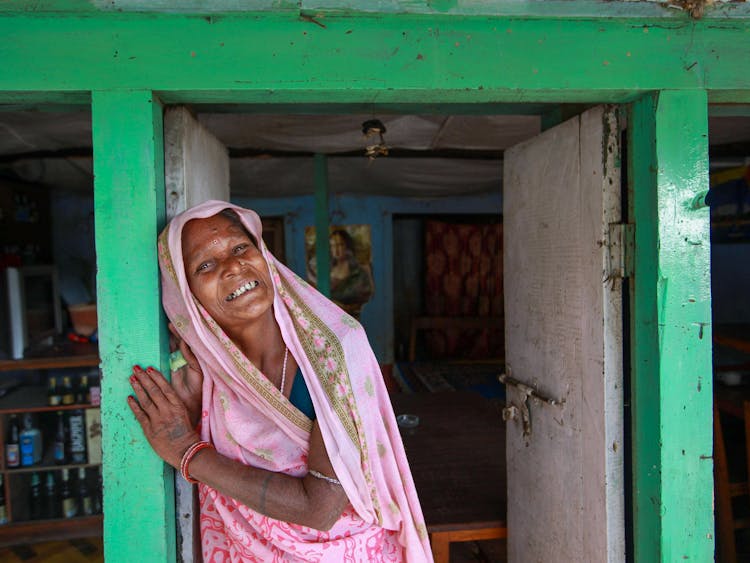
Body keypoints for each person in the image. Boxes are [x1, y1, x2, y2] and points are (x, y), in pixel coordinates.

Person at [127, 200, 432, 562]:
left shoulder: (332, 350)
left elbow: (320, 508)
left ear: (264, 254)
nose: (233, 266)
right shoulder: (210, 372)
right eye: (205, 265)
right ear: (186, 299)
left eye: (241, 247)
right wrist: (192, 412)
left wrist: (186, 451)